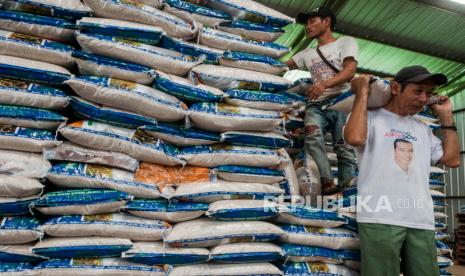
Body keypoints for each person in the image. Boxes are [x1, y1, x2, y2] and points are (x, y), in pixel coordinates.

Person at [344, 66, 460, 276]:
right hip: (380, 217)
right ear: (396, 88)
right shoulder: (370, 117)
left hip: (420, 219)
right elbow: (354, 138)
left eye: (430, 93)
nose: (424, 98)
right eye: (418, 91)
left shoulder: (422, 128)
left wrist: (447, 117)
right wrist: (362, 92)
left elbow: (452, 160)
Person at [285, 6, 357, 194]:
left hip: (342, 101)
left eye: (312, 21)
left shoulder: (345, 42)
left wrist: (324, 84)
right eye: (306, 23)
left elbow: (350, 70)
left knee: (344, 148)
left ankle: (347, 189)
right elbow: (282, 65)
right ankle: (327, 180)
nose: (307, 26)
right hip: (316, 104)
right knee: (312, 135)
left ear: (327, 21)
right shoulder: (307, 53)